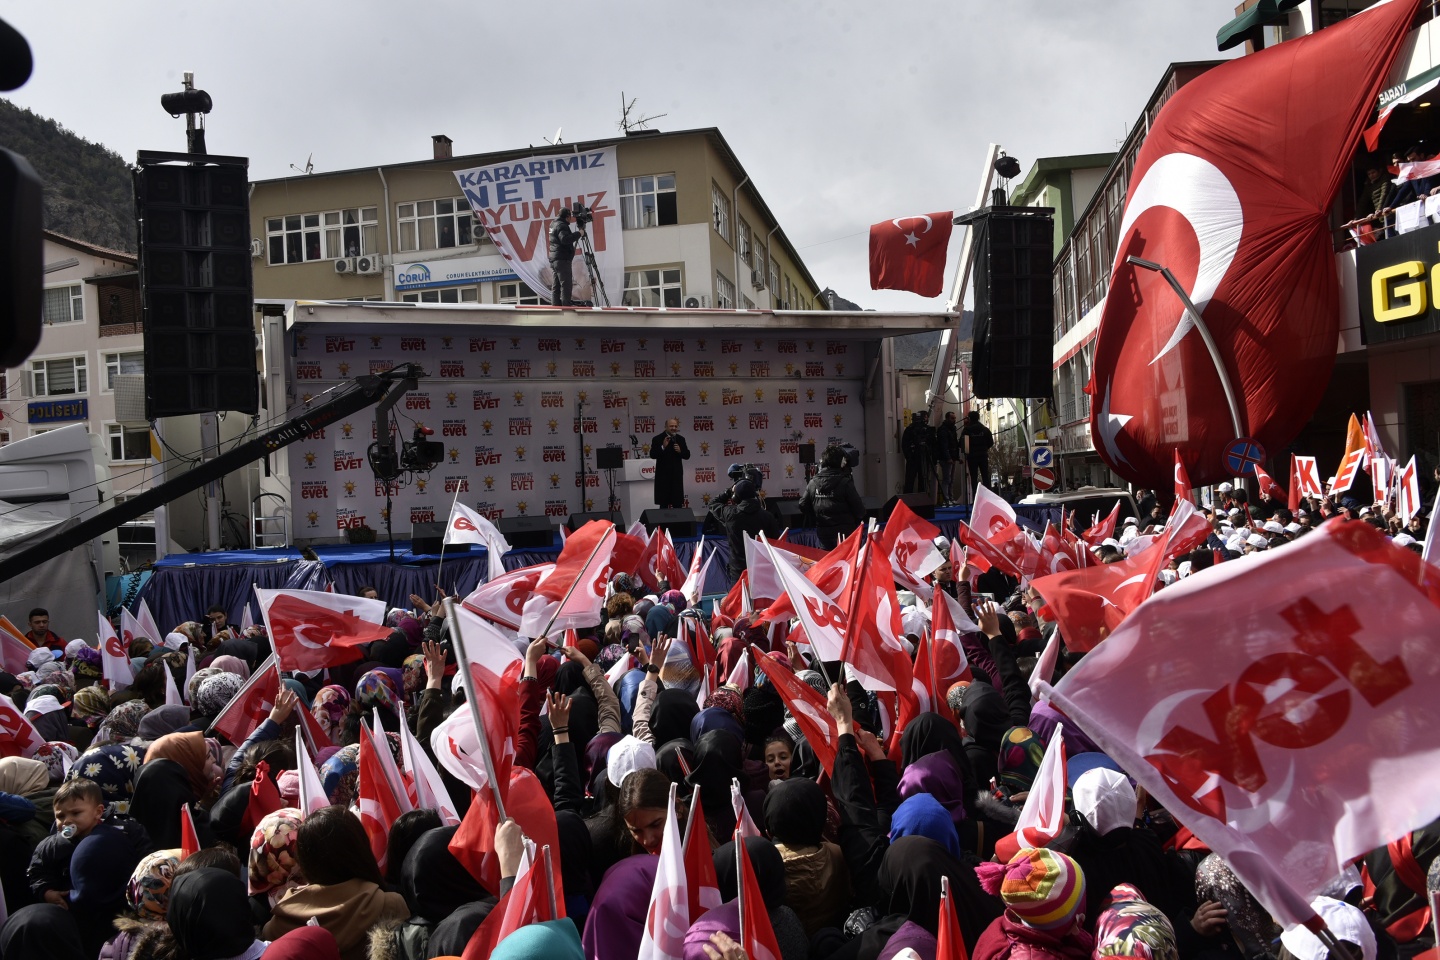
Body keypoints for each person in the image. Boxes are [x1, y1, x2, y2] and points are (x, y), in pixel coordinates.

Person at [712, 465, 780, 580]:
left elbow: (713, 504)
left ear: (735, 497)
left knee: (738, 598)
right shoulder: (767, 516)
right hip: (762, 570)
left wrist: (728, 492)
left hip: (738, 572)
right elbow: (777, 542)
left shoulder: (730, 514)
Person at [798, 444, 865, 549]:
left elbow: (803, 505)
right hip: (845, 535)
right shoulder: (845, 483)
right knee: (845, 564)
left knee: (828, 563)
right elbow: (860, 511)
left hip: (823, 534)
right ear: (841, 462)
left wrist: (818, 517)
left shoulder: (813, 482)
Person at [649, 418, 691, 509]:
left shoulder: (680, 439)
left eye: (675, 426)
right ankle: (663, 523)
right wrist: (663, 447)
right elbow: (652, 454)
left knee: (677, 503)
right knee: (663, 504)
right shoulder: (657, 439)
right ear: (666, 427)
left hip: (676, 476)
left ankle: (678, 523)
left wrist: (680, 451)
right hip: (663, 477)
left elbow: (687, 455)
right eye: (671, 426)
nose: (674, 428)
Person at [549, 206, 582, 306]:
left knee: (557, 285)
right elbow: (564, 239)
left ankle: (555, 306)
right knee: (566, 284)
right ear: (567, 217)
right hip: (562, 259)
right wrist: (579, 233)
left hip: (555, 258)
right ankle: (566, 307)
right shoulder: (561, 225)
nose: (571, 219)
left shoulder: (553, 224)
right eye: (570, 217)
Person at [960, 410, 994, 495]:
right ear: (978, 418)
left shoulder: (967, 430)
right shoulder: (985, 429)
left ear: (969, 418)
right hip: (983, 455)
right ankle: (988, 496)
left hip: (972, 456)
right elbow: (991, 442)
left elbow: (962, 443)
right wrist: (984, 448)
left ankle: (975, 496)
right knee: (985, 476)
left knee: (973, 477)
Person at [901, 412, 934, 494]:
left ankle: (922, 498)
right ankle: (909, 499)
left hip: (923, 457)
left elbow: (932, 443)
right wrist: (909, 457)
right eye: (925, 417)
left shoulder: (927, 429)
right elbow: (905, 445)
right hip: (913, 458)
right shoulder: (910, 430)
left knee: (923, 479)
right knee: (910, 480)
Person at [937, 411, 960, 505]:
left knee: (951, 479)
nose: (954, 420)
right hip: (946, 458)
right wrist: (948, 457)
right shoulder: (943, 430)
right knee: (947, 479)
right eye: (952, 418)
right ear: (947, 418)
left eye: (954, 418)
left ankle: (950, 498)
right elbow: (944, 445)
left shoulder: (952, 429)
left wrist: (957, 457)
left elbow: (954, 444)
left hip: (952, 457)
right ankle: (946, 499)